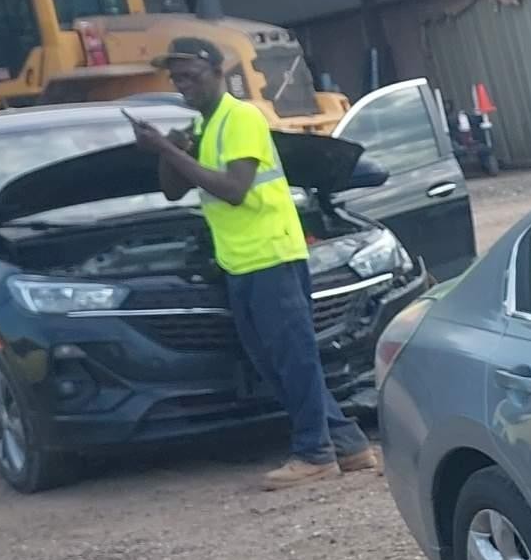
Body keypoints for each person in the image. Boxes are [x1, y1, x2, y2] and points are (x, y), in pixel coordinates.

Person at [133, 38, 378, 489]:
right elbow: (172, 191)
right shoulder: (203, 127)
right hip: (241, 262)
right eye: (176, 78)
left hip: (272, 256)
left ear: (216, 71)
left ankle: (314, 453)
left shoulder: (241, 117)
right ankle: (349, 444)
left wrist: (171, 153)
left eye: (189, 75)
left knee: (294, 360)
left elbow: (234, 189)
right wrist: (169, 151)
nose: (182, 85)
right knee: (273, 362)